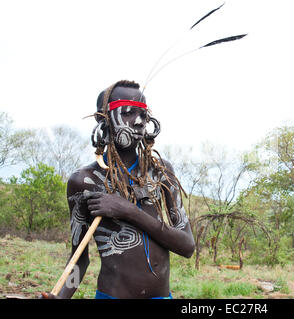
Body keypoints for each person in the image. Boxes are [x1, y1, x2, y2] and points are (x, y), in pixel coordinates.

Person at [42, 80, 195, 299]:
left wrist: (128, 211)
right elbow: (79, 259)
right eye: (128, 112)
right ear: (102, 119)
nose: (139, 121)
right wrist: (61, 296)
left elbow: (187, 247)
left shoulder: (160, 171)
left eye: (143, 113)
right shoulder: (84, 182)